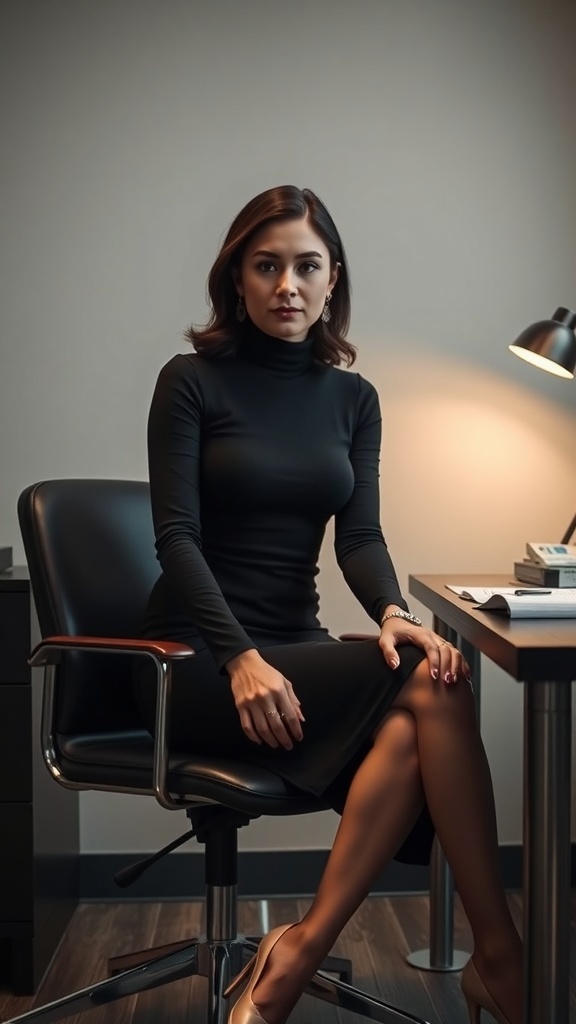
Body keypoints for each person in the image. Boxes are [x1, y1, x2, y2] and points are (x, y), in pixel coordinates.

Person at [135, 185, 522, 1024]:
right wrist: (240, 659)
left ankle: (301, 949)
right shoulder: (190, 381)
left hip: (294, 642)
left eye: (306, 267)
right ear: (236, 278)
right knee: (433, 684)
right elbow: (176, 539)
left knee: (422, 690)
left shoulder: (354, 399)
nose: (287, 286)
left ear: (332, 277)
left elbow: (360, 536)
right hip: (197, 657)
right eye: (266, 266)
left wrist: (390, 612)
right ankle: (502, 964)